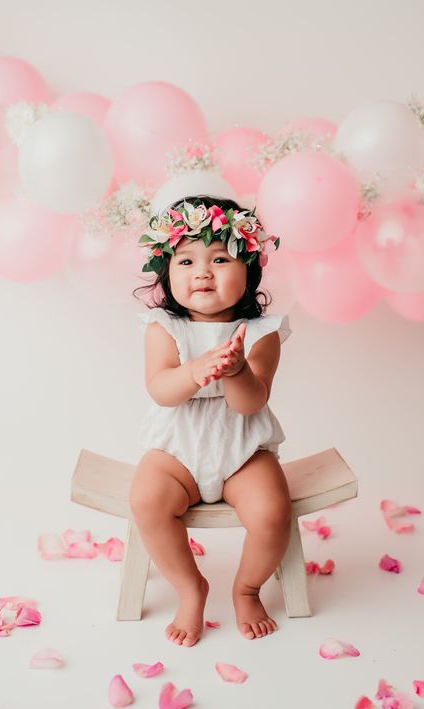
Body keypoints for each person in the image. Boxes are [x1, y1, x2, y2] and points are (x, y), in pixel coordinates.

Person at [130, 193, 292, 647]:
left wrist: (238, 371)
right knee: (146, 500)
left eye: (220, 258)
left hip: (242, 450)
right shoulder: (164, 326)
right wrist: (192, 371)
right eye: (186, 261)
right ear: (166, 274)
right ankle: (189, 587)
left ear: (249, 271)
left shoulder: (263, 333)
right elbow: (161, 389)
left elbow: (250, 403)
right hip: (175, 449)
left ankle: (247, 588)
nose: (202, 271)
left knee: (272, 511)